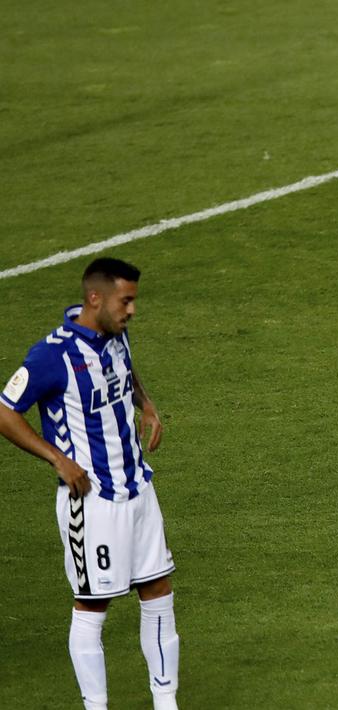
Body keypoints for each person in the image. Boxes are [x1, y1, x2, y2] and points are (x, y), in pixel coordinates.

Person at [0, 258, 180, 710]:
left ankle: (166, 703)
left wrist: (147, 404)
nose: (132, 310)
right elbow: (5, 411)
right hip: (91, 500)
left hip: (138, 487)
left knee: (158, 589)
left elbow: (124, 372)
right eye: (127, 300)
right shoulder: (51, 355)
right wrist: (58, 459)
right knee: (93, 605)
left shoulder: (115, 333)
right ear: (95, 298)